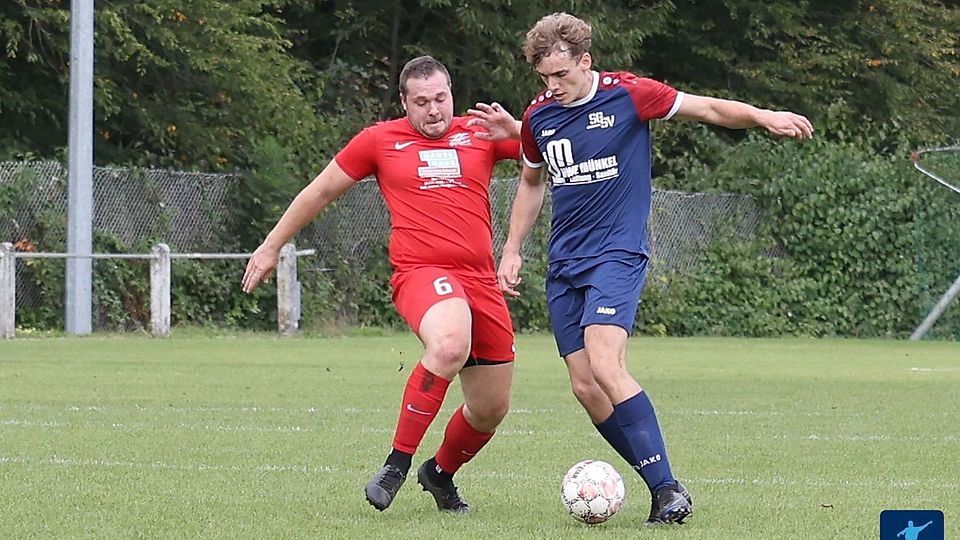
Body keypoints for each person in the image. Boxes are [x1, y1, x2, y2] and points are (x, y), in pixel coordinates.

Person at [495, 12, 814, 525]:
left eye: (562, 75)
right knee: (584, 386)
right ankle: (661, 485)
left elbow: (707, 108)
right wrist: (511, 249)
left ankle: (666, 489)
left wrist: (761, 115)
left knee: (605, 361)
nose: (553, 86)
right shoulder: (538, 117)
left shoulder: (629, 95)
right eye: (545, 78)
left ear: (586, 60)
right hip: (565, 264)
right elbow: (531, 183)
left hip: (617, 253)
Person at [241, 55, 523, 514]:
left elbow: (547, 151)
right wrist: (272, 246)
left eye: (441, 99)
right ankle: (396, 464)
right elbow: (320, 191)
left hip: (481, 281)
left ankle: (439, 474)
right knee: (449, 345)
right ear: (404, 103)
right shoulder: (379, 140)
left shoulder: (481, 132)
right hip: (422, 274)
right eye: (422, 102)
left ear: (452, 94)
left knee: (490, 409)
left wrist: (523, 127)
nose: (434, 110)